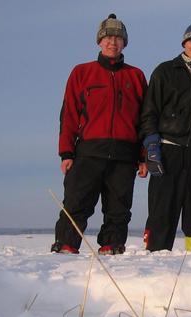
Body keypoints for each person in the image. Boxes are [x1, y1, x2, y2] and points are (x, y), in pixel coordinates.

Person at [52, 14, 148, 255]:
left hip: (124, 154)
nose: (112, 42)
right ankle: (65, 245)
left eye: (117, 38)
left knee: (119, 206)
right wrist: (66, 152)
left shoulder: (135, 76)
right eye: (107, 37)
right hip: (88, 152)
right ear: (99, 41)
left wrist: (143, 157)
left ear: (124, 43)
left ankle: (112, 245)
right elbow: (69, 115)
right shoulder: (82, 72)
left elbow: (145, 120)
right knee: (76, 202)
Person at [140, 22, 191, 253]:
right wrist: (151, 145)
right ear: (184, 43)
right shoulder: (165, 71)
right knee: (162, 210)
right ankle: (156, 256)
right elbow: (149, 111)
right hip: (169, 150)